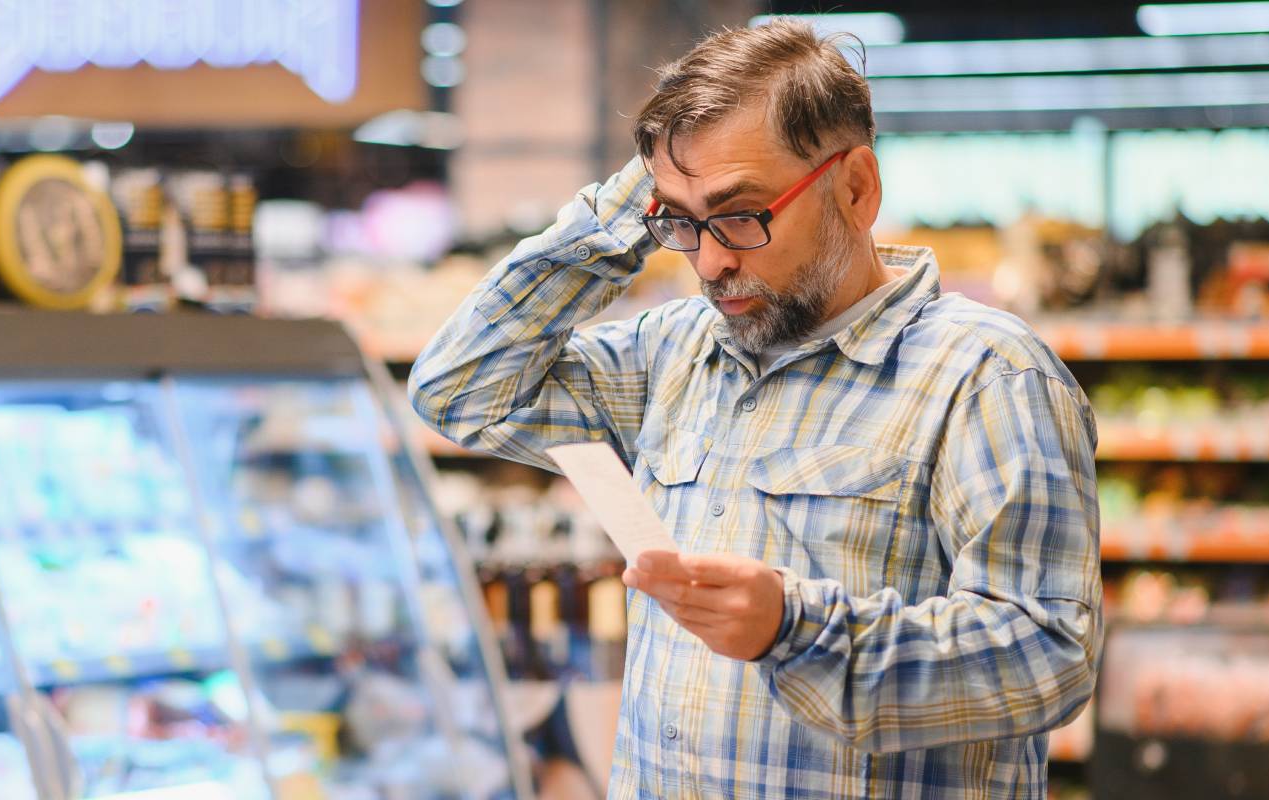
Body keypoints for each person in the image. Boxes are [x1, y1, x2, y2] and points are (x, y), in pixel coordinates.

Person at [410, 19, 1101, 800]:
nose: (710, 259)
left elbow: (1050, 657)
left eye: (740, 214)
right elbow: (461, 387)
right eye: (678, 220)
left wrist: (796, 631)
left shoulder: (985, 375)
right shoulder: (675, 354)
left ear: (856, 188)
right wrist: (631, 206)